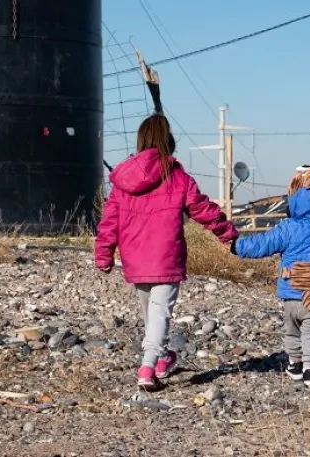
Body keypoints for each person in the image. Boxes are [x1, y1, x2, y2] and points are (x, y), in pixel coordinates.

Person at [95, 114, 238, 391]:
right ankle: (147, 368)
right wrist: (227, 233)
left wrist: (104, 254)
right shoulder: (178, 177)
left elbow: (109, 220)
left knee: (152, 315)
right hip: (166, 256)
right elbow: (202, 209)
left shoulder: (123, 181)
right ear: (167, 140)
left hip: (134, 258)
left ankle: (162, 358)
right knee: (160, 314)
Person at [231, 165, 310, 386]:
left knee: (291, 332)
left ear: (295, 197)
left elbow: (262, 244)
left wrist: (237, 246)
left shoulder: (288, 228)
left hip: (291, 294)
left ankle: (294, 363)